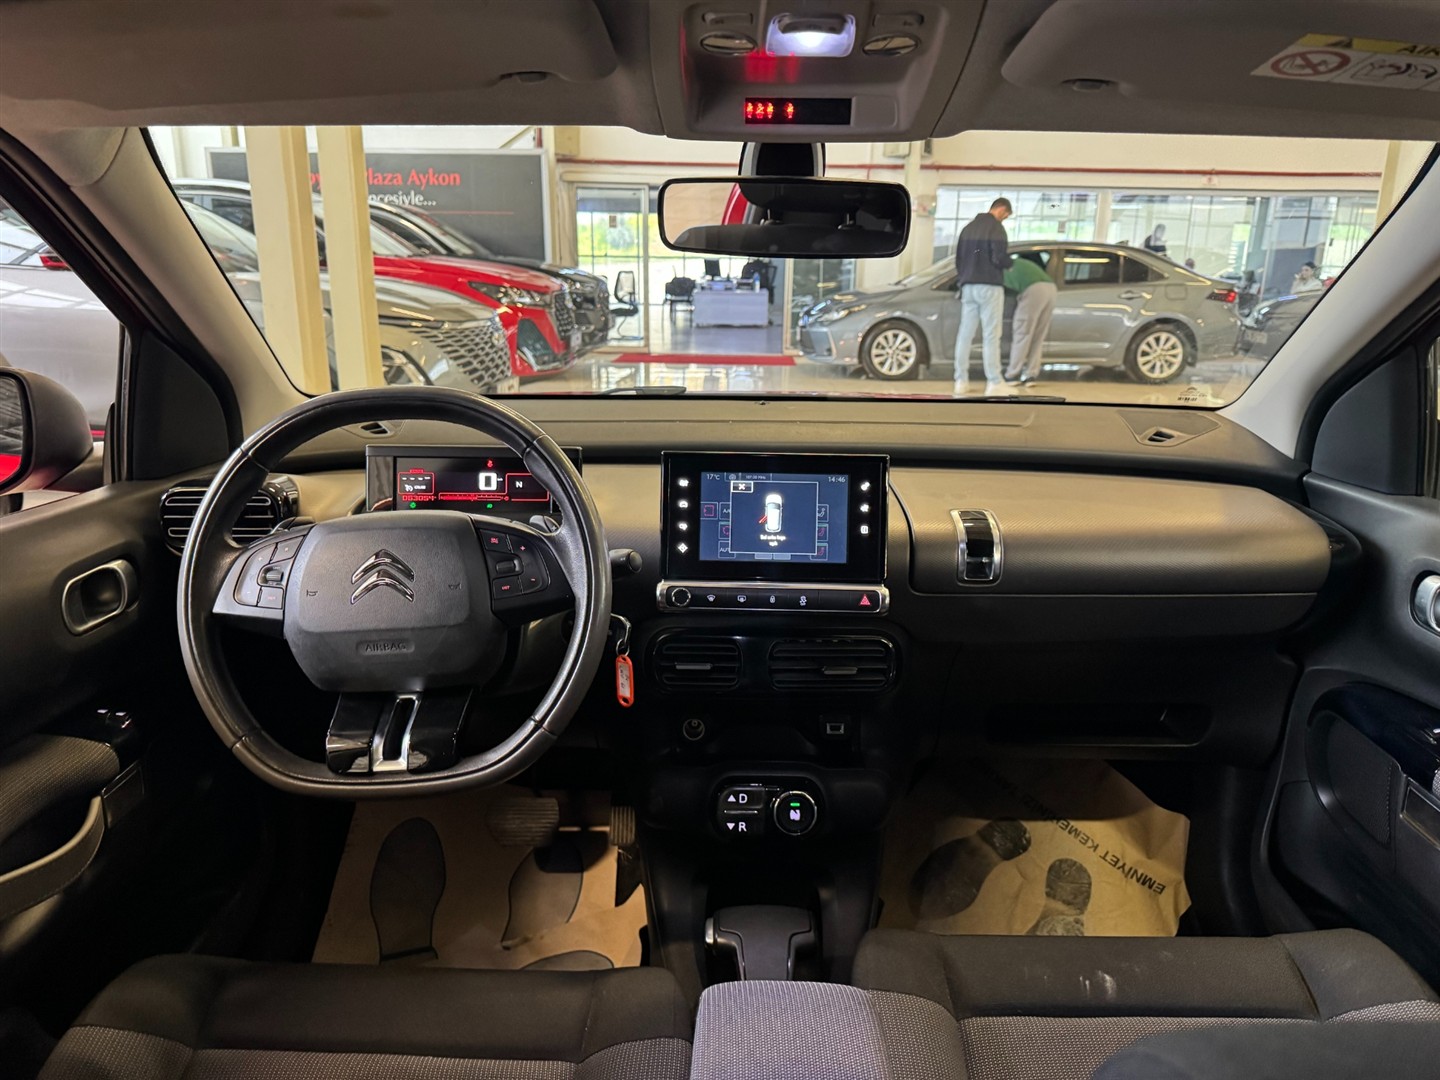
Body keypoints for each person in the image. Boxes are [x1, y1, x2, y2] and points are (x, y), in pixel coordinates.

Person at [953, 197, 1013, 391]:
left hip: (968, 286)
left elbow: (958, 260)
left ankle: (960, 381)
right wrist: (1010, 263)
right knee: (991, 335)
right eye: (1005, 215)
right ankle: (994, 381)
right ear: (1001, 209)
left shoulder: (967, 228)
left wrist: (965, 278)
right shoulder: (996, 228)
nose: (1004, 219)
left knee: (965, 334)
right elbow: (998, 257)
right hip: (989, 286)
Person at [1002, 256, 1058, 384]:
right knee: (1038, 335)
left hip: (1034, 289)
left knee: (1023, 332)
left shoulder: (996, 269)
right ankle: (1031, 374)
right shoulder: (1017, 263)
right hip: (1051, 288)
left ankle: (1012, 374)